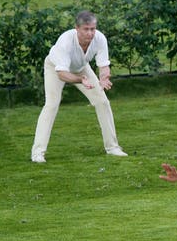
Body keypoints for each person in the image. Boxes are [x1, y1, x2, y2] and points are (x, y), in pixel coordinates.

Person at [31, 10, 127, 163]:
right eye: (86, 29)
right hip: (56, 67)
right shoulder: (66, 42)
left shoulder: (100, 38)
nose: (90, 33)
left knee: (102, 102)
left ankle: (113, 147)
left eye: (92, 29)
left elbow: (104, 65)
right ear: (77, 28)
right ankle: (38, 153)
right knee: (51, 105)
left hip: (81, 67)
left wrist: (103, 78)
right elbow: (62, 74)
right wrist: (80, 80)